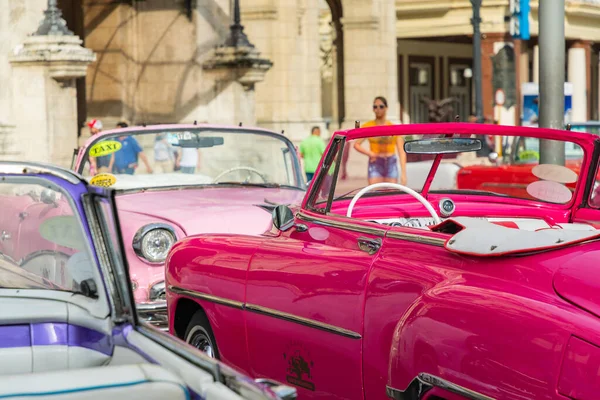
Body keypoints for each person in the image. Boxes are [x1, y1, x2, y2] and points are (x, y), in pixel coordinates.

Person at [353, 96, 407, 185]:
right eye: (375, 107)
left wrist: (404, 174)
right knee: (374, 193)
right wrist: (370, 154)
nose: (378, 109)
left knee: (391, 194)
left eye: (381, 106)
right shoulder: (368, 126)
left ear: (386, 108)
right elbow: (356, 144)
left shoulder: (393, 128)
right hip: (375, 162)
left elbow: (402, 152)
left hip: (390, 162)